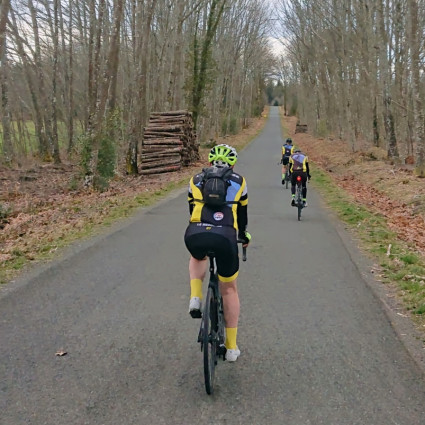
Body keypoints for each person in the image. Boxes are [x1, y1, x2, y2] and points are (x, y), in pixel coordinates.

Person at [184, 144, 251, 362]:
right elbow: (242, 217)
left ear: (211, 161)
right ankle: (231, 348)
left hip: (196, 233)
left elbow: (191, 209)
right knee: (229, 289)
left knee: (197, 256)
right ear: (232, 163)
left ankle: (195, 297)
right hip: (226, 238)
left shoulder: (195, 180)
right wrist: (244, 236)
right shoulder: (240, 182)